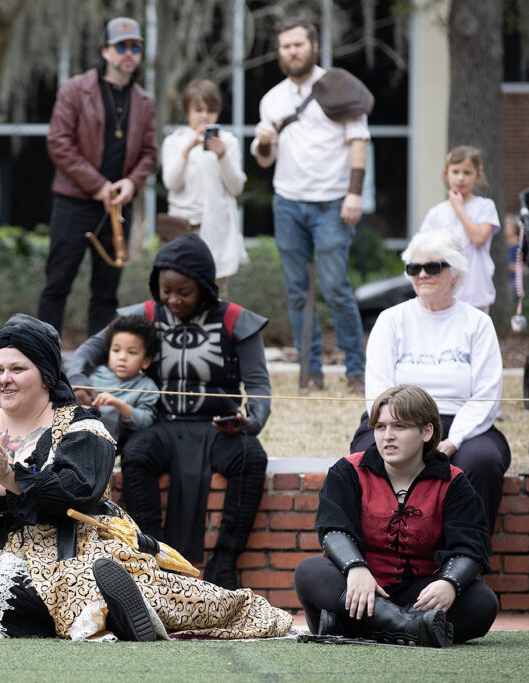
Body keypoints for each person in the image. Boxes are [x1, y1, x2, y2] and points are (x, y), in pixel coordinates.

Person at [0, 314, 293, 641]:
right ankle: (108, 618)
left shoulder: (82, 426)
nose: (4, 380)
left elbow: (80, 490)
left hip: (75, 552)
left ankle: (117, 610)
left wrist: (13, 478)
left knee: (163, 598)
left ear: (45, 375)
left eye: (17, 369)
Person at [64, 234, 271, 590]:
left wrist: (250, 421)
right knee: (138, 455)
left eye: (184, 292)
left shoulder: (236, 319)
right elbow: (82, 355)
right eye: (165, 290)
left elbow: (258, 384)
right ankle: (155, 556)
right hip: (161, 425)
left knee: (251, 459)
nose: (173, 300)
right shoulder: (144, 315)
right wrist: (81, 380)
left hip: (218, 428)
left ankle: (224, 562)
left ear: (205, 287)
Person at [295, 385, 498, 646]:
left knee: (482, 603)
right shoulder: (348, 471)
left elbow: (470, 547)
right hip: (360, 589)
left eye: (399, 427)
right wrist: (355, 568)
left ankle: (349, 628)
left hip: (420, 595)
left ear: (427, 431)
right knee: (309, 572)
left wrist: (449, 583)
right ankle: (412, 628)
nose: (387, 436)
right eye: (380, 427)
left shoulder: (454, 483)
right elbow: (334, 530)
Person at [350, 231, 510, 538]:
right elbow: (379, 394)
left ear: (455, 272)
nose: (422, 274)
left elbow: (487, 394)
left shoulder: (477, 323)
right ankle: (382, 554)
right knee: (370, 454)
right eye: (414, 268)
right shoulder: (390, 320)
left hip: (463, 423)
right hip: (397, 421)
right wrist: (409, 435)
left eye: (432, 267)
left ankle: (466, 560)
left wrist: (452, 441)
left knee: (483, 461)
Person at [252, 17, 368, 393]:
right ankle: (310, 371)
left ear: (313, 46)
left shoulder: (339, 87)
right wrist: (264, 141)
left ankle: (356, 371)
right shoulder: (272, 98)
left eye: (298, 44)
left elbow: (359, 142)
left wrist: (354, 193)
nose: (292, 51)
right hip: (288, 204)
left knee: (335, 288)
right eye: (286, 46)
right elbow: (265, 160)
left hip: (332, 204)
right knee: (298, 292)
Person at [37, 16, 157, 337]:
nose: (128, 53)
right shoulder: (76, 90)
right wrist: (99, 185)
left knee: (106, 292)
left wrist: (131, 182)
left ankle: (98, 367)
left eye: (135, 47)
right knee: (57, 284)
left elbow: (149, 153)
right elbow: (59, 144)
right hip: (74, 202)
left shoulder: (144, 101)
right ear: (105, 51)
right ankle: (41, 361)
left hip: (119, 207)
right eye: (121, 46)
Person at [161, 79, 247, 297]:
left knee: (215, 295)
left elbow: (236, 187)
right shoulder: (175, 141)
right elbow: (171, 182)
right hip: (183, 230)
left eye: (211, 110)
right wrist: (187, 149)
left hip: (216, 231)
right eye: (198, 110)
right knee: (181, 294)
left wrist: (223, 157)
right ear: (187, 110)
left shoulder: (228, 142)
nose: (204, 116)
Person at [417, 146, 500, 313]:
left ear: (478, 176)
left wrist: (458, 208)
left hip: (476, 290)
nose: (461, 178)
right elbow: (422, 248)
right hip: (445, 291)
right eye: (456, 171)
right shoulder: (436, 212)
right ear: (446, 174)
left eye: (467, 173)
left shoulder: (485, 206)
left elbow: (478, 239)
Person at [83, 314, 159, 446]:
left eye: (132, 352)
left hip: (116, 442)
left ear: (146, 361)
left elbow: (146, 421)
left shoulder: (147, 387)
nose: (122, 357)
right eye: (116, 350)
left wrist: (120, 405)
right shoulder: (95, 375)